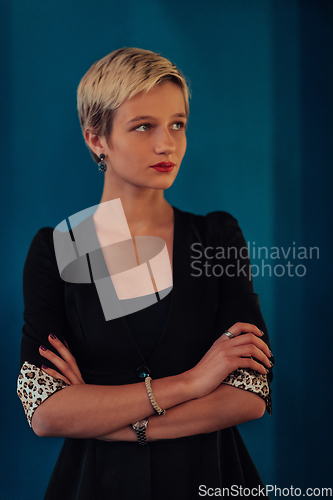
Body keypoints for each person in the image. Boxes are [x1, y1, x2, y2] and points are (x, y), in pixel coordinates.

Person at [17, 47, 274, 500]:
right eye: (144, 127)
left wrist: (112, 420)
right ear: (96, 139)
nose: (167, 144)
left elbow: (249, 391)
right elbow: (45, 410)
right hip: (95, 486)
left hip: (213, 479)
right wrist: (192, 383)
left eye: (177, 124)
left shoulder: (217, 235)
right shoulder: (57, 249)